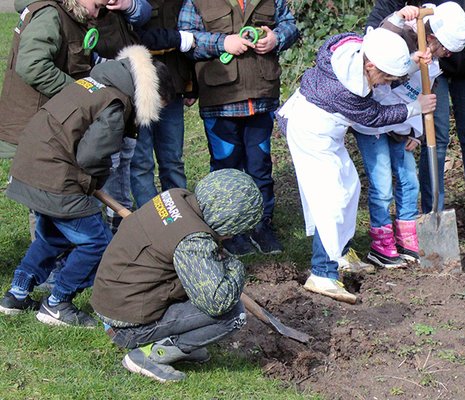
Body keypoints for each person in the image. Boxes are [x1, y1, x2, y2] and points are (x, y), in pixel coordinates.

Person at [0, 45, 175, 327]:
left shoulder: (96, 82)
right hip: (55, 175)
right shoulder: (115, 102)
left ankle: (16, 294)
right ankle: (58, 304)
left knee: (51, 237)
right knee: (97, 243)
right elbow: (91, 156)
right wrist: (93, 181)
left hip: (31, 165)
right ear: (152, 95)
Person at [277, 28, 436, 303]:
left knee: (350, 187)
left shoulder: (350, 45)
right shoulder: (345, 89)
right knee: (331, 200)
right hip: (309, 131)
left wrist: (411, 59)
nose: (384, 83)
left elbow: (371, 46)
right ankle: (323, 274)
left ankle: (341, 255)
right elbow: (375, 116)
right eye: (383, 77)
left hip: (328, 130)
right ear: (370, 65)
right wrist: (415, 108)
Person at [91, 169, 262, 383]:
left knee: (205, 280)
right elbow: (217, 302)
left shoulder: (175, 197)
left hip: (113, 299)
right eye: (234, 230)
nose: (231, 236)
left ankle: (177, 343)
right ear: (226, 220)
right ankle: (150, 354)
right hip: (125, 325)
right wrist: (234, 266)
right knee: (234, 314)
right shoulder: (193, 242)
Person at [367, 0, 465, 249]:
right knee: (437, 138)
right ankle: (432, 213)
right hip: (431, 61)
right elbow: (390, 6)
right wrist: (373, 42)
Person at [353, 2, 465, 268]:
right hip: (373, 124)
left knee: (409, 181)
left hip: (404, 125)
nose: (447, 55)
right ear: (431, 37)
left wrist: (416, 132)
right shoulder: (397, 32)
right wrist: (398, 17)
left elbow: (424, 95)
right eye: (445, 49)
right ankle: (381, 244)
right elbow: (381, 80)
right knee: (382, 185)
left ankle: (407, 238)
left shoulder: (436, 60)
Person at [178, 0, 299, 256]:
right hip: (220, 100)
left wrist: (276, 38)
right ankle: (229, 231)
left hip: (261, 97)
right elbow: (187, 40)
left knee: (260, 167)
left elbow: (289, 25)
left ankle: (262, 225)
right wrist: (223, 43)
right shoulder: (195, 2)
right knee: (225, 169)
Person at [0, 0, 150, 158]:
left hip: (51, 125)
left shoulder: (73, 16)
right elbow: (33, 66)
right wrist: (79, 93)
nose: (97, 15)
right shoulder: (50, 14)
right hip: (34, 127)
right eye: (97, 7)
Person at [128, 0, 197, 212]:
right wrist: (175, 40)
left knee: (173, 159)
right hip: (138, 87)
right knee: (141, 163)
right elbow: (129, 37)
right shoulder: (130, 5)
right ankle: (153, 221)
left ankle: (180, 216)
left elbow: (190, 37)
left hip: (173, 86)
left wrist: (191, 83)